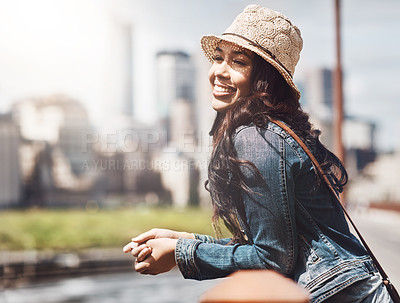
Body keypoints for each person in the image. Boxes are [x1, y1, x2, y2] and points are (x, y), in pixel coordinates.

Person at [123, 5, 393, 302]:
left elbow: (273, 259)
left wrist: (180, 254)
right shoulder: (272, 131)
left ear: (264, 77)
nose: (219, 72)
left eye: (238, 62)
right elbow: (276, 248)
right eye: (218, 58)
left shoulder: (256, 137)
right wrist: (186, 241)